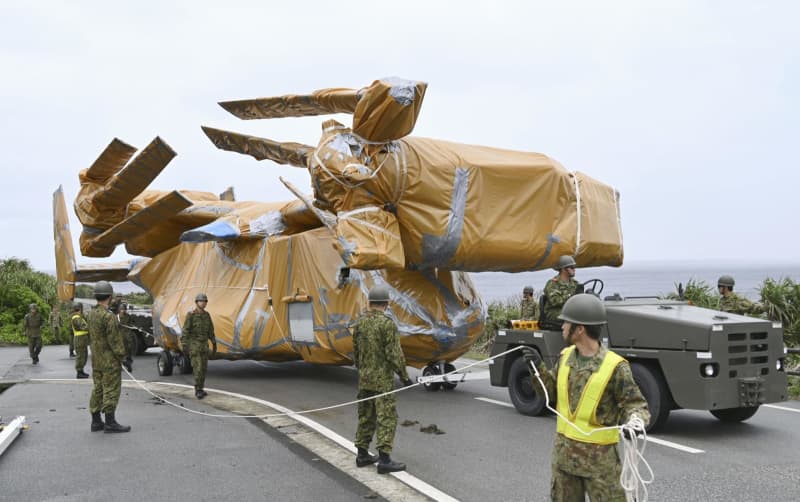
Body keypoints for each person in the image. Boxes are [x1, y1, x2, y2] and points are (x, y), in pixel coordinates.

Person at [523, 294, 649, 501]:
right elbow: (551, 395)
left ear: (579, 329)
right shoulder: (565, 357)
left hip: (600, 466)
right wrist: (537, 369)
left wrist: (635, 421)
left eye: (566, 322)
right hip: (564, 462)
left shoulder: (615, 366)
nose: (562, 326)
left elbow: (635, 404)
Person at [352, 284, 412, 474]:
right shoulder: (387, 325)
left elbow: (356, 352)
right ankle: (384, 460)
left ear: (369, 303)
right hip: (382, 382)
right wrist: (404, 377)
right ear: (387, 303)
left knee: (366, 416)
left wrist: (362, 370)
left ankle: (362, 455)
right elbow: (394, 355)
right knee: (387, 418)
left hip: (365, 379)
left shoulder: (360, 323)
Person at [87, 281, 131, 433]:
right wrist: (123, 357)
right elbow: (115, 341)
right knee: (111, 389)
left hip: (96, 359)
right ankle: (110, 422)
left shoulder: (91, 313)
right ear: (110, 296)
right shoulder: (109, 316)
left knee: (98, 389)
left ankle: (96, 421)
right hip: (109, 361)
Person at [181, 293, 217, 399]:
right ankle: (198, 390)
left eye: (205, 301)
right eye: (201, 301)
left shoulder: (207, 315)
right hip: (194, 346)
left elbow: (211, 330)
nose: (204, 303)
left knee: (204, 368)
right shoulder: (191, 315)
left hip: (204, 346)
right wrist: (185, 345)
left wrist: (214, 343)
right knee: (198, 368)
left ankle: (201, 388)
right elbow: (185, 331)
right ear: (196, 302)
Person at [540, 255, 581, 330]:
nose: (574, 269)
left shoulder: (575, 284)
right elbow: (555, 301)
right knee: (575, 316)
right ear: (564, 269)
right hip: (554, 312)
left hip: (569, 310)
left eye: (574, 267)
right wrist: (572, 297)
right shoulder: (552, 283)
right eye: (572, 267)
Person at [71, 302, 90, 379]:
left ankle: (81, 370)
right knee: (80, 356)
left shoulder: (79, 317)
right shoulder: (76, 317)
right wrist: (91, 326)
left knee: (84, 355)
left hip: (83, 339)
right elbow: (83, 327)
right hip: (79, 339)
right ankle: (79, 372)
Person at [117, 303, 136, 369]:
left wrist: (131, 326)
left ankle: (128, 362)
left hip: (128, 335)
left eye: (124, 309)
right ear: (119, 310)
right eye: (121, 309)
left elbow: (132, 323)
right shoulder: (117, 317)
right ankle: (121, 363)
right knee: (121, 350)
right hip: (120, 335)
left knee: (129, 349)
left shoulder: (128, 316)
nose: (123, 311)